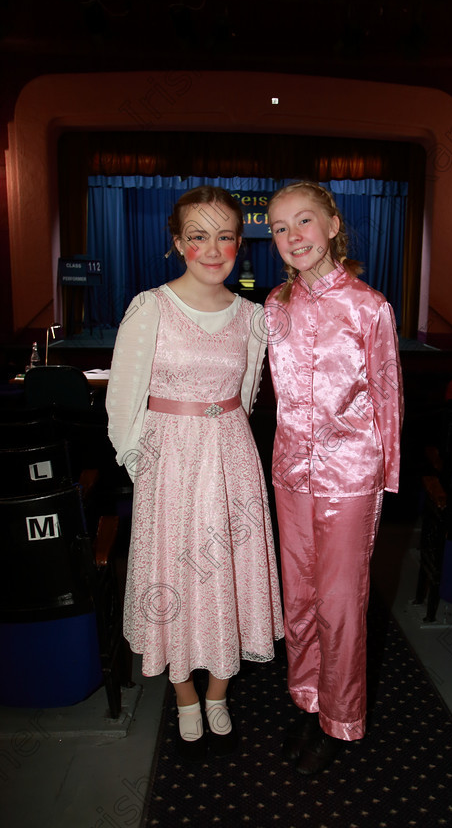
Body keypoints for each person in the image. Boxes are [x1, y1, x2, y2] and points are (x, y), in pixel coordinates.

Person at [106, 185, 284, 761]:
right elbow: (123, 403)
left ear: (239, 243)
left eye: (225, 236)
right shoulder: (149, 307)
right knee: (174, 581)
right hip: (169, 464)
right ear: (178, 242)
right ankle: (183, 693)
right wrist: (146, 471)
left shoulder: (253, 318)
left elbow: (248, 394)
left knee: (229, 574)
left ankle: (218, 692)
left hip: (231, 459)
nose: (213, 249)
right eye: (199, 236)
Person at [264, 181, 403, 775]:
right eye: (278, 228)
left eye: (303, 222)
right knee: (298, 597)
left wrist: (385, 479)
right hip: (290, 472)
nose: (292, 237)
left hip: (350, 477)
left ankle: (341, 720)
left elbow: (389, 399)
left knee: (340, 603)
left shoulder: (370, 307)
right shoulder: (274, 306)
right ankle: (307, 698)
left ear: (332, 224)